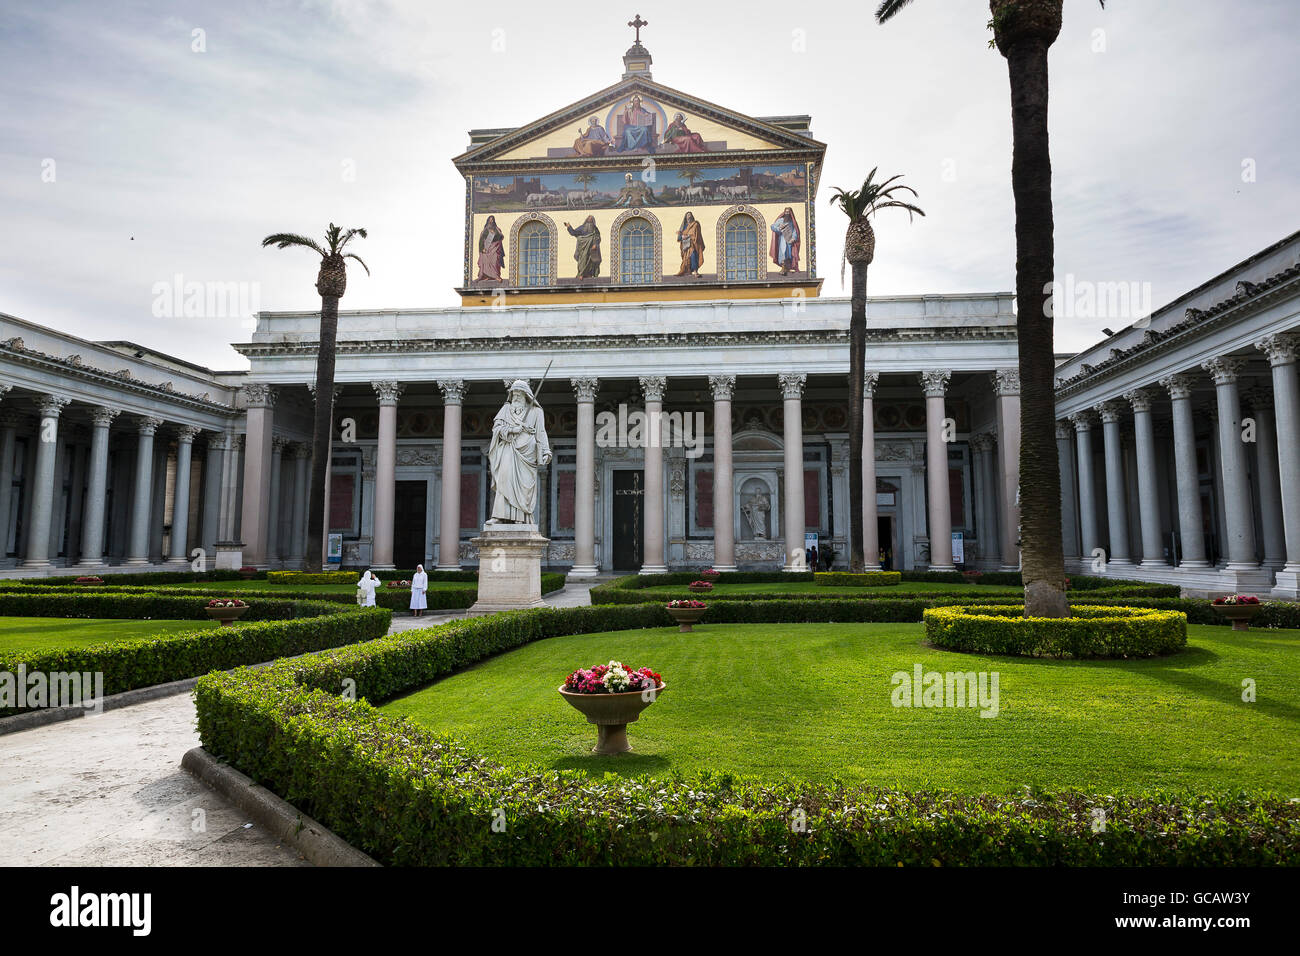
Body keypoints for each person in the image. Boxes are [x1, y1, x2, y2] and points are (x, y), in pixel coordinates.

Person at [487, 380, 552, 524]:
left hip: (527, 452)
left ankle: (521, 518)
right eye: (514, 394)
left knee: (524, 486)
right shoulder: (505, 409)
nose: (516, 397)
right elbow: (496, 429)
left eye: (519, 394)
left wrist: (546, 451)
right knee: (504, 479)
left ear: (526, 395)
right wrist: (511, 429)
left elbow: (541, 432)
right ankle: (498, 516)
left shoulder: (536, 412)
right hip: (508, 449)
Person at [770, 207, 801, 275]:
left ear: (790, 213)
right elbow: (772, 226)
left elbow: (795, 231)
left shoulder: (792, 222)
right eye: (786, 212)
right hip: (782, 239)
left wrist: (793, 238)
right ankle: (783, 268)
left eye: (788, 212)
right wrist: (779, 228)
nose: (787, 213)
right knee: (783, 253)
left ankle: (787, 268)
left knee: (789, 254)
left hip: (789, 241)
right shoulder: (780, 220)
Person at [675, 211, 705, 277]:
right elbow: (680, 237)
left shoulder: (695, 224)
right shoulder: (684, 226)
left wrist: (688, 236)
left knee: (693, 255)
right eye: (687, 215)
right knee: (686, 259)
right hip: (686, 245)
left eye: (690, 215)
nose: (689, 216)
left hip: (694, 244)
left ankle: (695, 271)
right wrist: (681, 235)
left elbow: (696, 234)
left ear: (692, 216)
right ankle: (688, 271)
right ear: (686, 217)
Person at [475, 216, 504, 281]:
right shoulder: (485, 230)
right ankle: (486, 276)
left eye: (492, 220)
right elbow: (482, 240)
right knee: (485, 261)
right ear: (488, 221)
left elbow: (501, 237)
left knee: (495, 261)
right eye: (490, 220)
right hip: (486, 249)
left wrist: (494, 234)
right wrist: (482, 248)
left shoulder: (497, 229)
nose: (491, 221)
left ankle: (496, 276)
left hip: (495, 248)